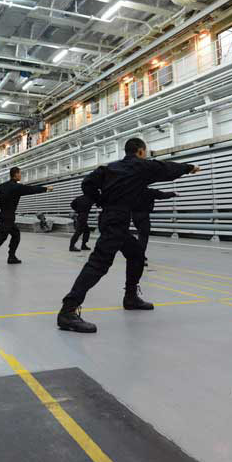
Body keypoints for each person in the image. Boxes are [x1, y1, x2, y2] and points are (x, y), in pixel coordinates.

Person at [57, 139, 198, 333]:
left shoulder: (109, 168)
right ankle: (68, 310)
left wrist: (100, 200)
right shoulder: (141, 166)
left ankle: (130, 297)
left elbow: (87, 183)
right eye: (145, 152)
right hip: (116, 220)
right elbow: (165, 168)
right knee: (99, 263)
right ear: (140, 152)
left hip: (112, 218)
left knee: (136, 254)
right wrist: (188, 168)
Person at [0, 167, 50, 270]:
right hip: (8, 216)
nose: (20, 175)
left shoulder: (2, 186)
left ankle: (11, 257)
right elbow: (31, 189)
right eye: (20, 173)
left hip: (5, 214)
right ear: (16, 174)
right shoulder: (16, 187)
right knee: (1, 237)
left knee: (16, 234)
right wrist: (46, 188)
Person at [132, 188, 178, 266]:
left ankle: (139, 255)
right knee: (143, 238)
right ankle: (139, 258)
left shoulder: (132, 191)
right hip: (144, 216)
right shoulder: (149, 191)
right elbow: (162, 195)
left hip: (134, 217)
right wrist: (174, 193)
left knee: (140, 236)